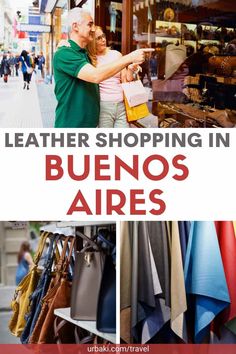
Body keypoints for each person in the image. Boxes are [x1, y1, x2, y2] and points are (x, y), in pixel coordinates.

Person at [53, 7, 153, 128]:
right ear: (75, 27)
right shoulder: (65, 53)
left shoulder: (83, 53)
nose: (93, 29)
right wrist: (130, 57)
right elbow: (96, 76)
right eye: (90, 24)